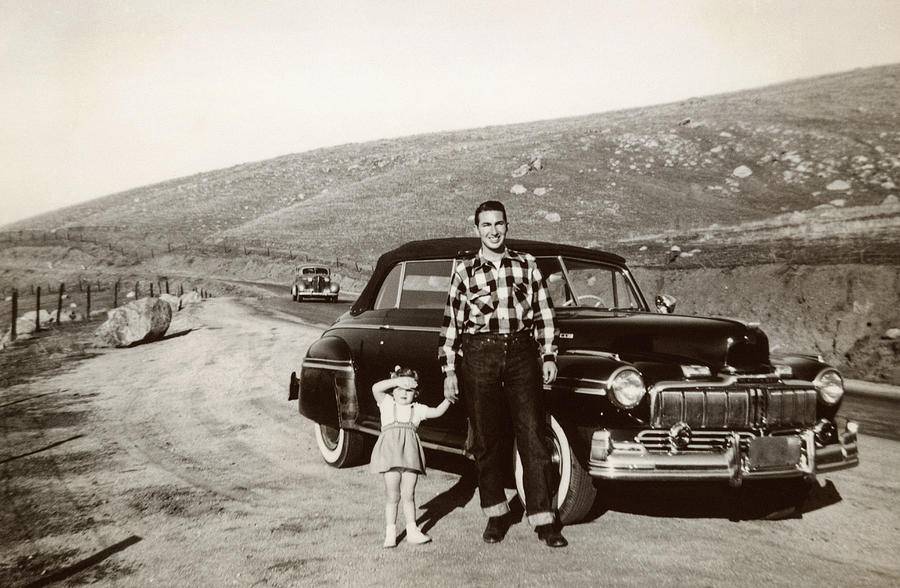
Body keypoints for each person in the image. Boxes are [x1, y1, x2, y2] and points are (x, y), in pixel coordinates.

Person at [438, 200, 567, 548]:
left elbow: (544, 313)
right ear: (476, 228)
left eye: (499, 224)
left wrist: (549, 355)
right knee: (485, 438)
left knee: (534, 435)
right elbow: (451, 325)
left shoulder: (526, 265)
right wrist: (449, 370)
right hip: (478, 356)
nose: (493, 231)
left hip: (523, 352)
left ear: (507, 226)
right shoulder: (465, 271)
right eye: (486, 225)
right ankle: (496, 513)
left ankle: (544, 519)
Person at [370, 365, 452, 548]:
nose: (404, 393)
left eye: (409, 390)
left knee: (409, 494)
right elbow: (376, 387)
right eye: (399, 389)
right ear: (393, 389)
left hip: (410, 457)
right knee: (392, 495)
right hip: (390, 456)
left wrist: (449, 399)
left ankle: (412, 530)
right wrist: (397, 380)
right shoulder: (387, 403)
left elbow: (437, 411)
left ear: (416, 393)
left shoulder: (418, 409)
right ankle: (390, 532)